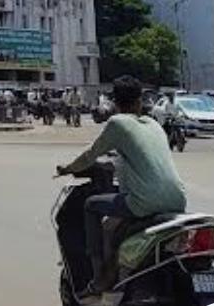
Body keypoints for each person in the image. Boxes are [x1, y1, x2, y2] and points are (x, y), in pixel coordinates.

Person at [56, 75, 186, 304]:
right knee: (112, 225)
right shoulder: (154, 125)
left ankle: (100, 279)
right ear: (140, 101)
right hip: (177, 200)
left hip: (143, 201)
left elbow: (90, 155)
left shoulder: (117, 123)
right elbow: (141, 158)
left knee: (91, 205)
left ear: (115, 102)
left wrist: (68, 168)